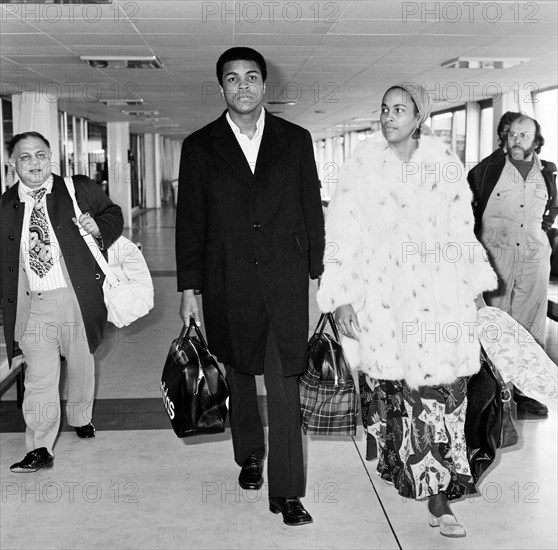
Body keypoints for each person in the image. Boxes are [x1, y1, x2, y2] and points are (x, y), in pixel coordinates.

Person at [317, 83, 498, 538]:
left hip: (441, 303)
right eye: (384, 108)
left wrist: (476, 294)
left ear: (419, 116)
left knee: (442, 403)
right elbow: (340, 237)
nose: (389, 116)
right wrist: (338, 296)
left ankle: (440, 499)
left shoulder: (445, 166)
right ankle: (421, 482)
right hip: (382, 303)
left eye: (400, 109)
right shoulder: (360, 168)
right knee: (400, 403)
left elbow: (463, 236)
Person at [175, 47, 325, 526]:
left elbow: (311, 208)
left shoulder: (295, 139)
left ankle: (287, 491)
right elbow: (190, 222)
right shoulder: (199, 147)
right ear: (221, 87)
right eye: (233, 78)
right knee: (239, 373)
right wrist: (188, 289)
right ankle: (250, 456)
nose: (243, 86)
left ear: (265, 86)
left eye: (252, 77)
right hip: (227, 280)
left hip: (283, 278)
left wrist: (321, 273)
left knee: (284, 383)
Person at [0, 131, 123, 472]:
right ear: (14, 164)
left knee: (82, 363)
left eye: (40, 155)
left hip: (76, 297)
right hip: (33, 305)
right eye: (25, 157)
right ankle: (40, 447)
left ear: (50, 157)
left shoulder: (77, 188)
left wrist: (96, 227)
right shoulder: (6, 206)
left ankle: (81, 415)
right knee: (39, 378)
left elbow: (114, 215)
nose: (34, 163)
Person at [468, 115, 558, 416]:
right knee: (495, 323)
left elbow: (552, 207)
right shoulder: (485, 171)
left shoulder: (547, 172)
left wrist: (542, 230)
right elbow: (468, 211)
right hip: (495, 255)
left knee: (531, 323)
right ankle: (495, 391)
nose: (517, 139)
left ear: (536, 140)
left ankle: (526, 392)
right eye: (513, 134)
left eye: (524, 134)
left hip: (534, 258)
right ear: (505, 138)